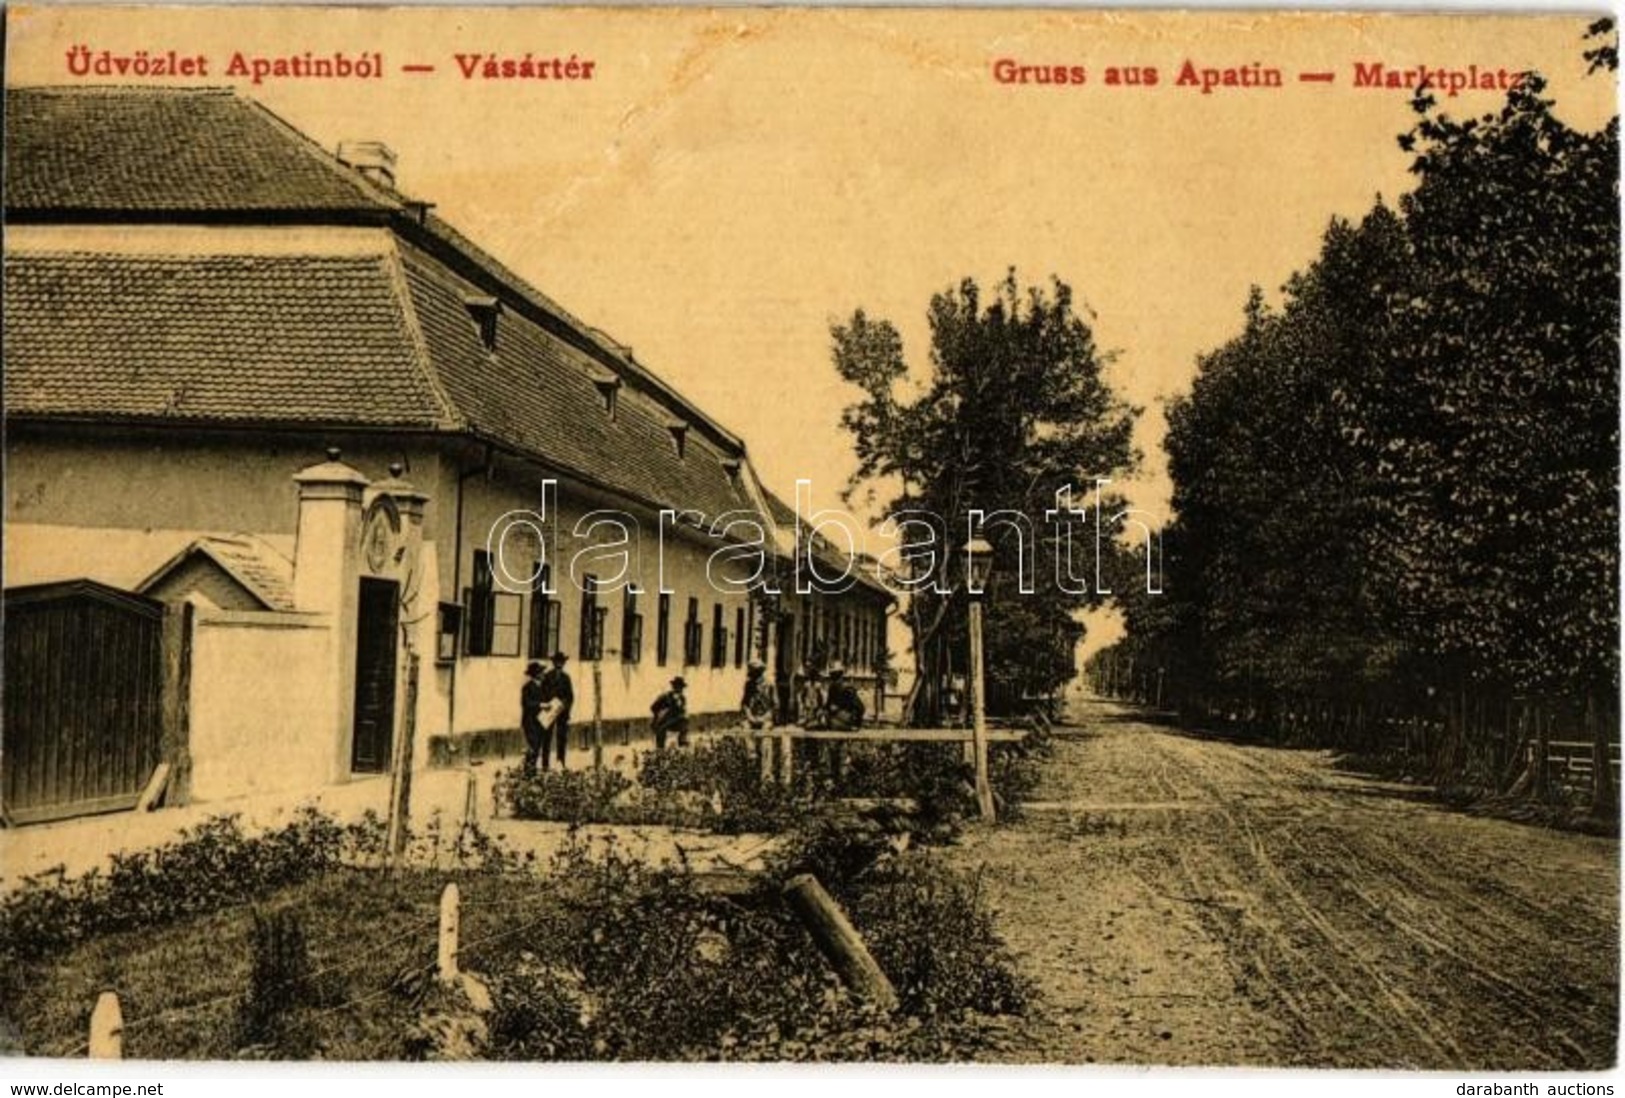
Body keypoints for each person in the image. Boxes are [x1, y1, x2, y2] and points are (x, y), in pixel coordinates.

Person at [538, 651, 574, 768]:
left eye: (561, 662)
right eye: (557, 662)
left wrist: (565, 706)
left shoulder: (566, 678)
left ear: (564, 664)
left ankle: (561, 762)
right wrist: (548, 705)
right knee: (546, 738)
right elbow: (542, 693)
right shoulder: (547, 677)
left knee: (561, 738)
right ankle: (545, 764)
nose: (559, 664)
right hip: (549, 712)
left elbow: (570, 696)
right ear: (554, 663)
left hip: (562, 713)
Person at [520, 661, 548, 774]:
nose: (544, 674)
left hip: (541, 721)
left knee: (537, 747)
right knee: (533, 747)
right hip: (530, 722)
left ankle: (532, 770)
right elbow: (526, 703)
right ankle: (529, 771)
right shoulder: (527, 687)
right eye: (541, 672)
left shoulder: (542, 687)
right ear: (536, 674)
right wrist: (541, 705)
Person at [651, 676, 690, 749]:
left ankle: (682, 741)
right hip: (667, 719)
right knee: (661, 730)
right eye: (678, 687)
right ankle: (660, 748)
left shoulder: (682, 698)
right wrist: (658, 715)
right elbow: (654, 707)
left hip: (677, 720)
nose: (680, 689)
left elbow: (682, 710)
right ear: (674, 686)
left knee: (684, 722)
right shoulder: (667, 696)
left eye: (681, 687)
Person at [825, 663, 866, 731]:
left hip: (847, 718)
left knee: (828, 722)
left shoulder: (844, 688)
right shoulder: (834, 687)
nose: (831, 677)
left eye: (833, 674)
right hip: (840, 716)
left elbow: (859, 707)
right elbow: (828, 705)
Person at [741, 659, 776, 730]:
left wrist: (764, 717)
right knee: (745, 728)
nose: (753, 676)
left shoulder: (769, 685)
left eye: (755, 672)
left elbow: (774, 706)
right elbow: (745, 704)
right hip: (752, 717)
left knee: (765, 730)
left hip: (765, 718)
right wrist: (750, 717)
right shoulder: (749, 685)